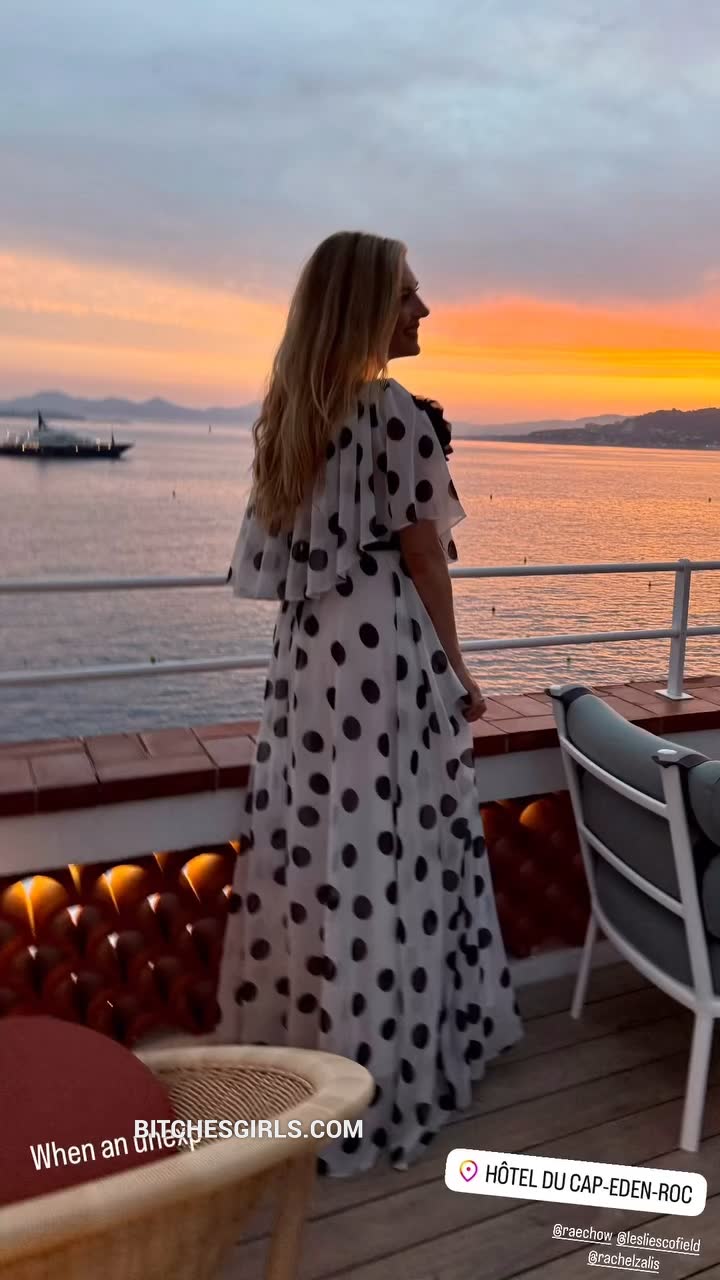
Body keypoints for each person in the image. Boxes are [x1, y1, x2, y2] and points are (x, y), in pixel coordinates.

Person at [218, 230, 523, 1176]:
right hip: (386, 659)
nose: (424, 310)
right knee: (393, 854)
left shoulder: (295, 412)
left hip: (314, 664)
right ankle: (385, 1072)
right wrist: (461, 674)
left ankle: (317, 1063)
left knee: (326, 854)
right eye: (407, 296)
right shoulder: (394, 413)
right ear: (363, 311)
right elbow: (426, 559)